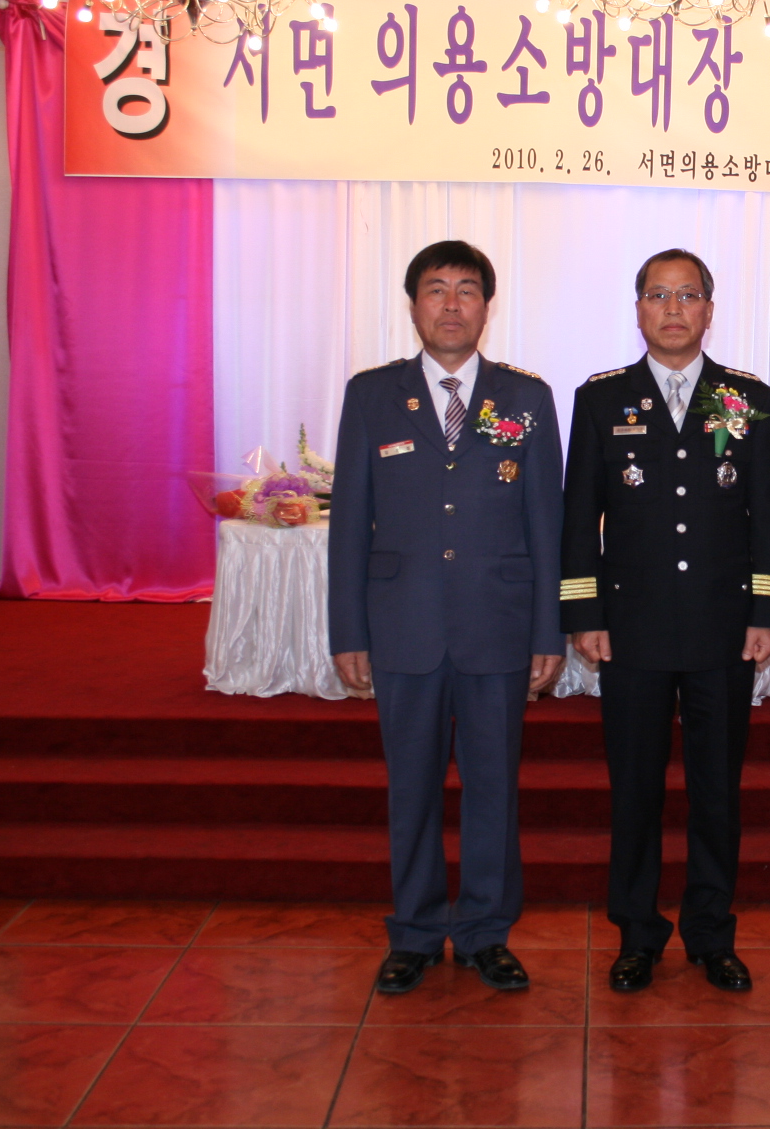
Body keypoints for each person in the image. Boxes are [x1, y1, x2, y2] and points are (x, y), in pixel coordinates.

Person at [329, 239, 565, 996]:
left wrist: (547, 631)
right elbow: (349, 524)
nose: (452, 304)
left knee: (494, 788)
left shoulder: (526, 398)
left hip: (498, 626)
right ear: (413, 305)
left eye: (467, 290)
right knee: (413, 789)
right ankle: (416, 932)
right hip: (404, 625)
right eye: (436, 289)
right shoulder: (372, 395)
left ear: (487, 307)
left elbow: (547, 525)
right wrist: (348, 631)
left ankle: (487, 932)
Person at [561, 248, 770, 993]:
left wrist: (767, 610)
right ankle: (637, 934)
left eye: (687, 295)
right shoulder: (602, 400)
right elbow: (578, 518)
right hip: (632, 629)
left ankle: (711, 934)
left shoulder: (747, 398)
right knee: (635, 791)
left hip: (725, 629)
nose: (673, 309)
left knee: (716, 792)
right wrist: (584, 612)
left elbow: (769, 515)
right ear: (638, 309)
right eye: (658, 295)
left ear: (709, 310)